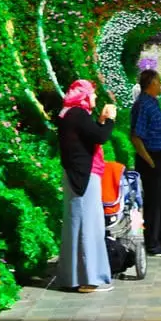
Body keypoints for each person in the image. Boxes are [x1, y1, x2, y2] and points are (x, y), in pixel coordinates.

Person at [54, 78, 117, 292]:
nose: (96, 97)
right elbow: (100, 136)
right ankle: (88, 279)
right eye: (92, 93)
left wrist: (99, 120)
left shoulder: (68, 114)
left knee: (77, 224)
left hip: (76, 175)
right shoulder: (78, 114)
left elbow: (90, 136)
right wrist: (109, 120)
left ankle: (73, 276)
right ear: (84, 95)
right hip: (84, 176)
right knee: (88, 226)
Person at [131, 68, 161, 256]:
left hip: (160, 160)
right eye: (159, 81)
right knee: (153, 203)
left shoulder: (153, 102)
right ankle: (152, 243)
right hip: (152, 159)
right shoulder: (142, 104)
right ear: (151, 83)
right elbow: (136, 136)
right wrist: (150, 162)